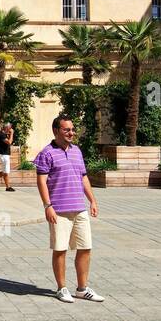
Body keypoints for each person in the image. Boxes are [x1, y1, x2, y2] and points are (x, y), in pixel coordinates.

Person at [35, 114, 103, 303]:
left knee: (85, 247)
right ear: (56, 131)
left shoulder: (77, 151)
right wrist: (47, 206)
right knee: (60, 249)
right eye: (67, 130)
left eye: (72, 129)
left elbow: (83, 177)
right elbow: (41, 181)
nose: (71, 133)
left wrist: (92, 200)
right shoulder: (46, 153)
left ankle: (82, 288)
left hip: (79, 208)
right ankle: (62, 288)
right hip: (58, 210)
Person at [0, 122, 16, 191]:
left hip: (4, 154)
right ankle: (8, 187)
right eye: (10, 127)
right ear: (7, 128)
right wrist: (12, 133)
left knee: (4, 171)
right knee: (6, 172)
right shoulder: (2, 134)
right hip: (3, 155)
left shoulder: (4, 134)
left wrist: (9, 134)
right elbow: (9, 142)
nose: (11, 129)